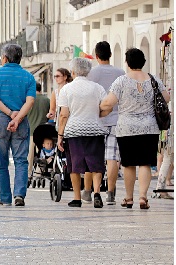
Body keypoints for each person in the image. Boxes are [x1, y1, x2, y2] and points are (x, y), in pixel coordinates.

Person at [100, 48, 170, 209]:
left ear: (127, 63)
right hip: (150, 127)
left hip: (127, 128)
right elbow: (165, 98)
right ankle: (143, 197)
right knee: (145, 163)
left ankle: (129, 198)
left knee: (129, 164)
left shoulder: (122, 81)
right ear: (143, 62)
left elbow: (107, 103)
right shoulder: (153, 80)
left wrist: (100, 107)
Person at [78, 41, 126, 205]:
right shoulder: (120, 72)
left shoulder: (91, 73)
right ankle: (111, 192)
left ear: (96, 56)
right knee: (112, 157)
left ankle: (88, 191)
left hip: (94, 119)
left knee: (91, 155)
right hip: (116, 119)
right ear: (110, 54)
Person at [57, 57, 109, 208]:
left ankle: (77, 198)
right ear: (88, 71)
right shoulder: (97, 88)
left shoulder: (66, 89)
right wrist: (97, 115)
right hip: (95, 130)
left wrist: (60, 135)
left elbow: (63, 115)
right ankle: (97, 192)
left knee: (74, 165)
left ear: (73, 72)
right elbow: (107, 107)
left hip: (74, 132)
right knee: (96, 163)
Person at [0, 44, 35, 207]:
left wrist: (9, 114)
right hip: (21, 120)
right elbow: (30, 101)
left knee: (1, 160)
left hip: (1, 118)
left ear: (5, 58)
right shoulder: (28, 76)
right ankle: (19, 195)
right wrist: (18, 117)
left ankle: (5, 197)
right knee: (21, 159)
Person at [27, 82, 50, 175]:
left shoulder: (28, 100)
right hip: (44, 132)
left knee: (30, 155)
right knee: (42, 153)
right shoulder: (47, 100)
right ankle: (39, 171)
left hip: (31, 131)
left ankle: (28, 174)